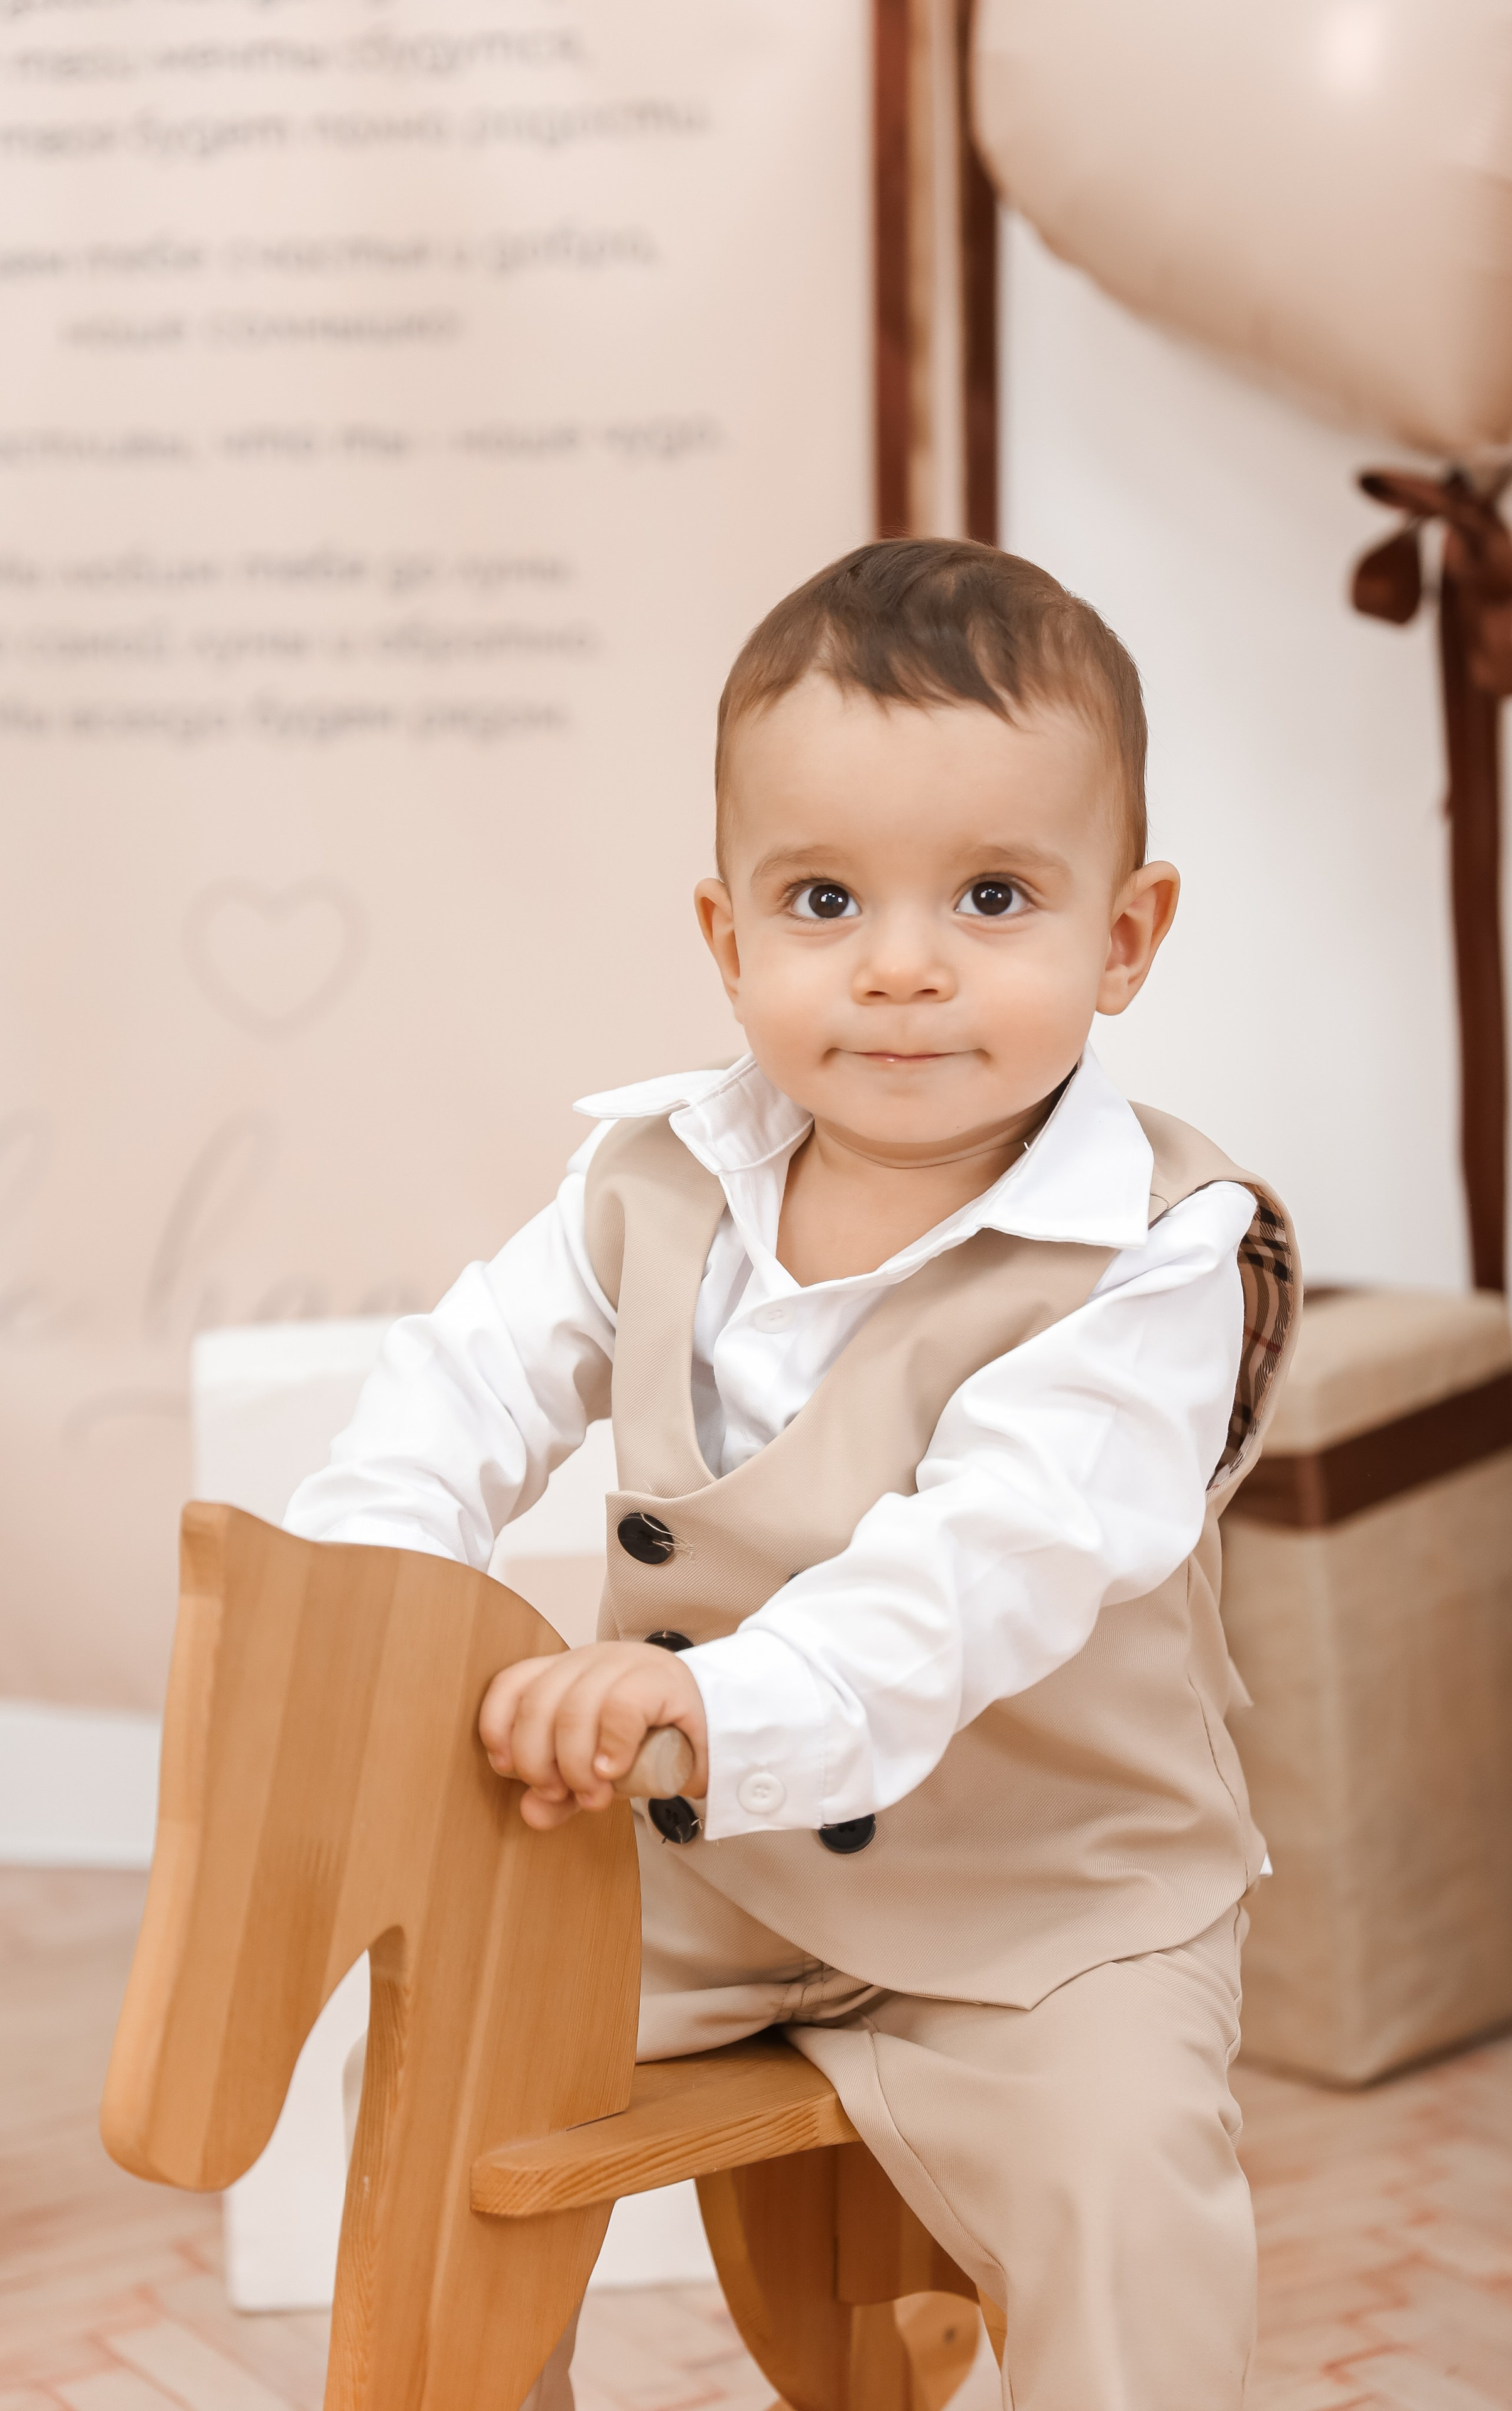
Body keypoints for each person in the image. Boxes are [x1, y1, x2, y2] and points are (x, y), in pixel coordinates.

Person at [287, 537, 1299, 2409]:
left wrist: (690, 1696)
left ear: (1127, 935)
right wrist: (366, 1590)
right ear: (728, 934)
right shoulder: (655, 1179)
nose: (902, 969)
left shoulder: (1160, 1256)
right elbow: (462, 1382)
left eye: (995, 897)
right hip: (697, 1882)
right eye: (825, 898)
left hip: (1040, 1909)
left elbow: (983, 1565)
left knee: (1128, 2194)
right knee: (432, 2080)